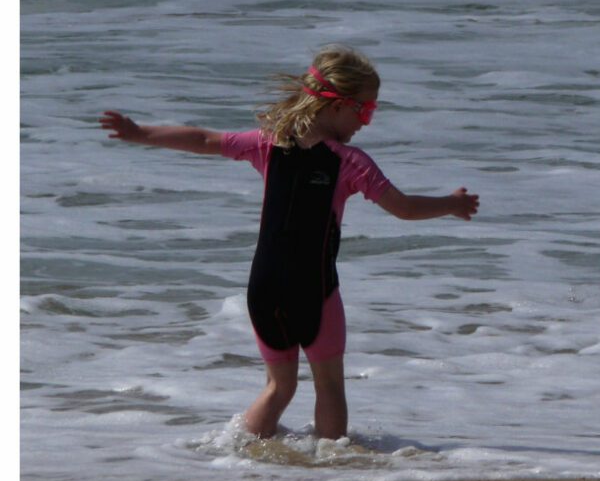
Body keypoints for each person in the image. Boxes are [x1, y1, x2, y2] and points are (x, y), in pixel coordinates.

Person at [100, 45, 479, 441]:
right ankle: (332, 462)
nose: (367, 122)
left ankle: (238, 455)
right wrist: (451, 205)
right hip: (313, 289)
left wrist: (139, 133)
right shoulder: (350, 162)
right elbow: (403, 208)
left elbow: (204, 139)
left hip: (262, 288)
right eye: (365, 110)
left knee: (279, 387)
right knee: (329, 385)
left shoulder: (268, 144)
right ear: (336, 106)